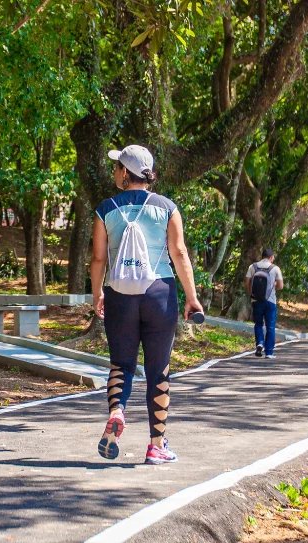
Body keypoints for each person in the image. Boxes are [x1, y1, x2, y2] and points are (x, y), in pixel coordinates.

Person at [91, 145, 203, 465]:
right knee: (158, 370)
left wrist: (98, 293)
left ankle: (117, 411)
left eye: (117, 168)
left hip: (119, 294)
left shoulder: (105, 208)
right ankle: (156, 446)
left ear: (126, 173)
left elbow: (99, 258)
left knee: (121, 365)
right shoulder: (167, 207)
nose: (115, 172)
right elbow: (179, 253)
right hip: (159, 293)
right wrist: (191, 298)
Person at [245, 248, 284, 359]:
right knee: (270, 326)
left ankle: (260, 343)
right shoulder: (275, 268)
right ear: (271, 257)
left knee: (258, 324)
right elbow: (281, 286)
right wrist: (274, 284)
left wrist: (251, 293)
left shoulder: (253, 267)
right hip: (270, 301)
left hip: (256, 300)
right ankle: (269, 353)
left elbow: (247, 281)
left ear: (262, 256)